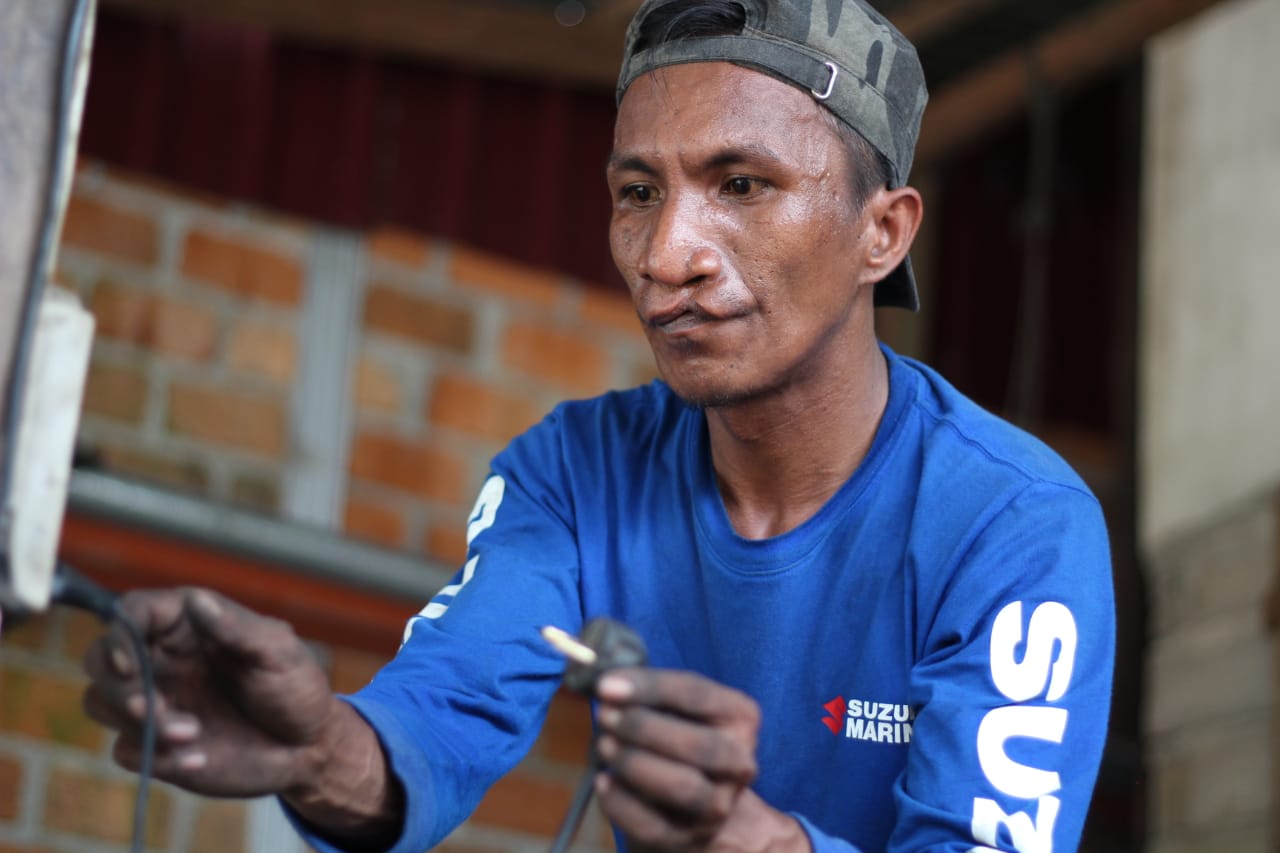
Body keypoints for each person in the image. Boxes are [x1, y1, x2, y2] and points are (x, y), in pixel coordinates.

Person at [82, 1, 1115, 851]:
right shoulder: (572, 473)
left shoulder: (1012, 523)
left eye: (741, 184)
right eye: (636, 192)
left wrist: (753, 842)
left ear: (879, 232)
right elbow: (442, 714)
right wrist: (316, 748)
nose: (669, 253)